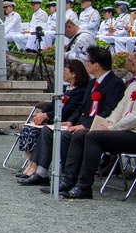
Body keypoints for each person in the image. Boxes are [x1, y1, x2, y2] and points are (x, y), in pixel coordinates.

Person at [19, 46, 125, 187]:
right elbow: (81, 107)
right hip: (80, 122)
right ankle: (41, 172)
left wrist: (86, 125)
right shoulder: (93, 83)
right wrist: (69, 121)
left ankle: (68, 178)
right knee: (48, 130)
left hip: (97, 126)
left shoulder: (114, 83)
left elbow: (109, 111)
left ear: (96, 65)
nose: (86, 64)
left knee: (65, 137)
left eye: (88, 61)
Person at [57, 44, 136, 199]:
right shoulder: (135, 84)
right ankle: (69, 179)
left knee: (93, 136)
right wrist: (108, 124)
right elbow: (118, 110)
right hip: (124, 131)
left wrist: (112, 128)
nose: (131, 60)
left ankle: (84, 186)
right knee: (81, 134)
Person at [16, 59, 90, 178]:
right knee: (27, 129)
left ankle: (36, 167)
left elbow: (68, 110)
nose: (62, 72)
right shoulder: (65, 89)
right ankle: (30, 165)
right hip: (54, 117)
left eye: (65, 70)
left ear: (74, 73)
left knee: (36, 131)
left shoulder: (81, 91)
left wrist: (46, 116)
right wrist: (42, 113)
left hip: (64, 119)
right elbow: (52, 105)